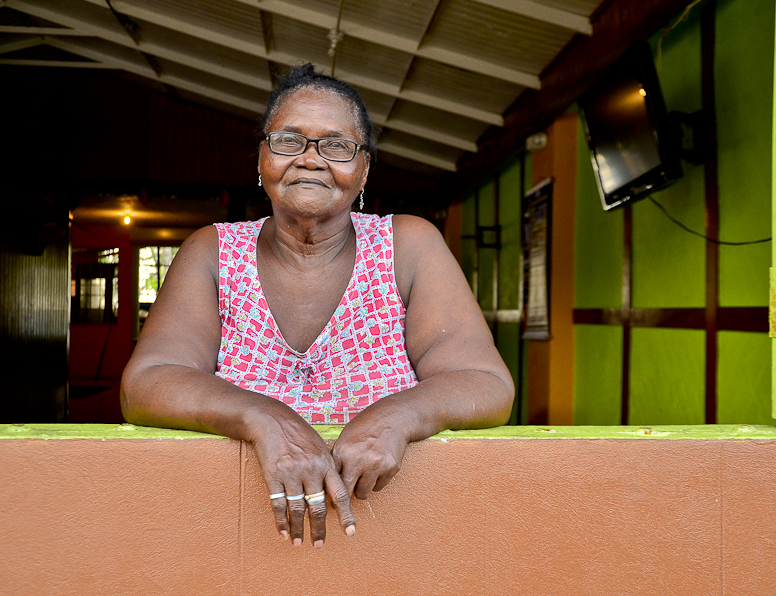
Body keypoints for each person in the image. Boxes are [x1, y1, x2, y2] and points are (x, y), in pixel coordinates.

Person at [121, 64, 514, 549]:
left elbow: (488, 384)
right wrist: (265, 418)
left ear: (364, 167)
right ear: (261, 157)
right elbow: (147, 381)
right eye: (289, 140)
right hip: (233, 539)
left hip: (397, 538)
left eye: (336, 144)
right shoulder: (212, 251)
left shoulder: (408, 245)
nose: (310, 159)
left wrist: (398, 416)